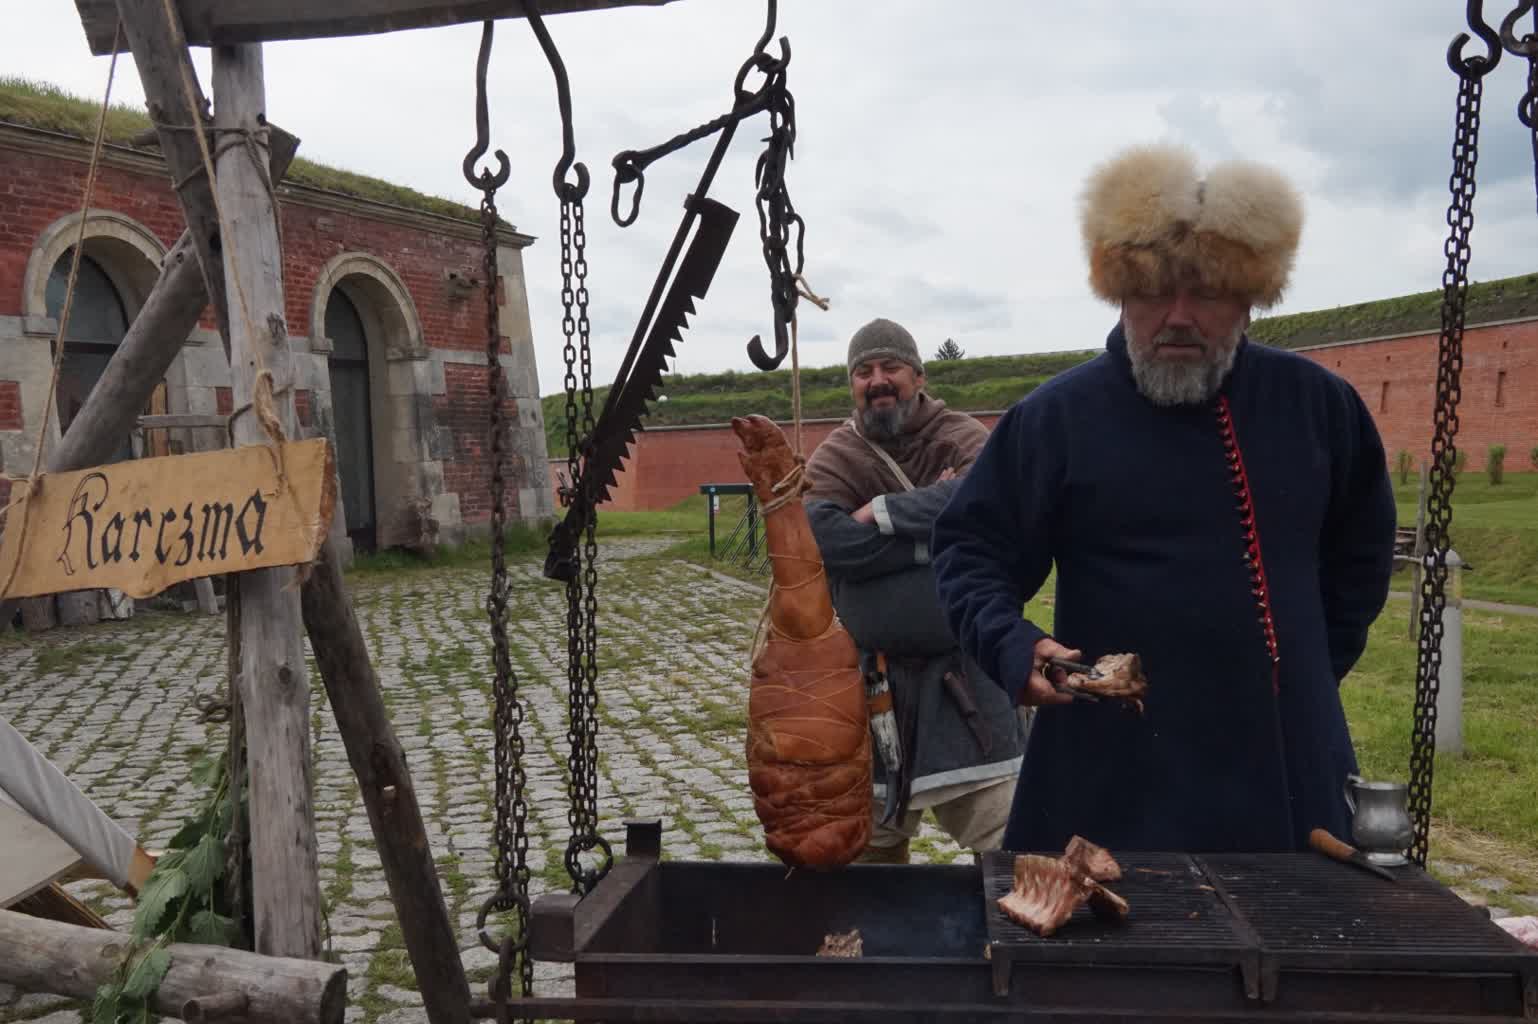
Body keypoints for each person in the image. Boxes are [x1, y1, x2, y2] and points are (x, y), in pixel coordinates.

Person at [930, 144, 1397, 854]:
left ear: (1248, 297)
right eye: (1152, 291)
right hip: (1108, 772)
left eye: (1206, 291)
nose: (1178, 315)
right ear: (1120, 293)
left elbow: (1358, 562)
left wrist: (1295, 674)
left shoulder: (1318, 407)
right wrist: (1015, 646)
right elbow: (971, 552)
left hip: (1284, 764)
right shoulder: (1055, 419)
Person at [803, 318, 1028, 863]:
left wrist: (880, 511)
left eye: (891, 367)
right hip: (869, 689)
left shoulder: (961, 435)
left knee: (1013, 850)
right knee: (862, 863)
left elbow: (988, 501)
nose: (878, 380)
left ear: (919, 376)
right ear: (852, 384)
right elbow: (823, 538)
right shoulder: (838, 454)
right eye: (864, 371)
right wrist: (936, 540)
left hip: (967, 687)